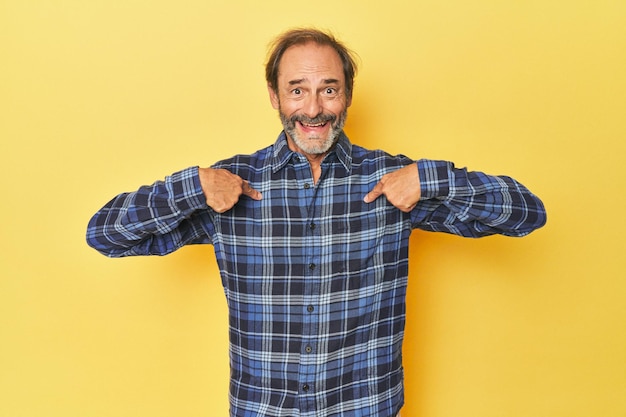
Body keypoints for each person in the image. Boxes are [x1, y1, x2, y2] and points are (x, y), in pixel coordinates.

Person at [87, 28, 546, 417]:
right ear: (274, 95)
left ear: (347, 94)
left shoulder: (393, 181)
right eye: (297, 90)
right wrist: (191, 187)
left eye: (328, 88)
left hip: (365, 405)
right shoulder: (228, 185)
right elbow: (105, 234)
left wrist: (432, 178)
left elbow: (526, 214)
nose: (313, 109)